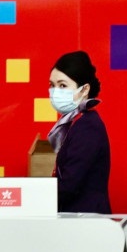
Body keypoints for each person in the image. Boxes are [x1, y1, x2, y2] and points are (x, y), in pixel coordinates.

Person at [47, 50, 111, 214]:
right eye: (52, 85)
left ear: (84, 90)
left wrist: (34, 199)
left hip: (87, 220)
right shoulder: (76, 122)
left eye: (62, 85)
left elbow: (70, 184)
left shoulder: (87, 126)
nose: (55, 91)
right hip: (77, 218)